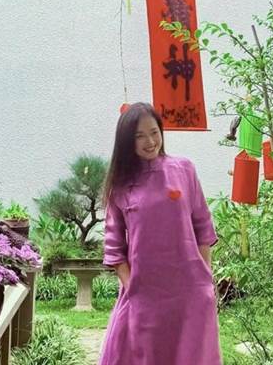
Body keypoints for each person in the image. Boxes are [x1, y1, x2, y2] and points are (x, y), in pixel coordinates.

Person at [99, 102, 222, 365]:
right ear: (127, 142)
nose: (150, 141)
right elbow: (114, 248)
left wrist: (205, 279)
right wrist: (133, 288)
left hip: (189, 292)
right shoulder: (120, 186)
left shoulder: (184, 170)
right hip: (145, 296)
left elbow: (202, 226)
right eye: (140, 136)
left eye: (154, 132)